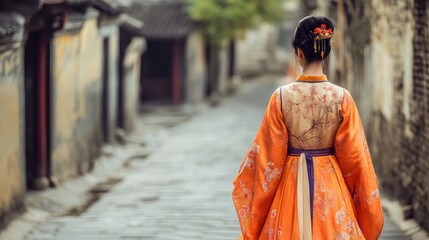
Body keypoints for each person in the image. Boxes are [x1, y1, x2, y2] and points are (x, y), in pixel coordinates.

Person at [232, 16, 384, 239]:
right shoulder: (342, 98)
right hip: (330, 185)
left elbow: (266, 161)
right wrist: (366, 212)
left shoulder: (280, 98)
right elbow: (356, 159)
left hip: (290, 186)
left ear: (299, 53)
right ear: (326, 52)